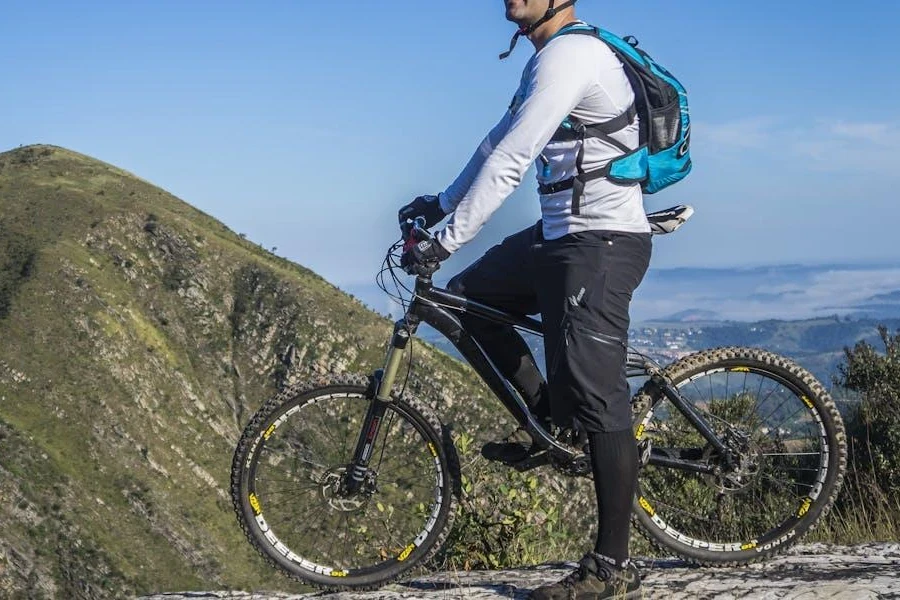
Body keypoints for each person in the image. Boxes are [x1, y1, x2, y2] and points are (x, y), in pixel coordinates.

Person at [399, 1, 651, 597]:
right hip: (559, 235)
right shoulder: (544, 61)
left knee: (599, 395)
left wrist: (446, 241)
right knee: (464, 301)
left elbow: (514, 161)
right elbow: (495, 144)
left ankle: (614, 566)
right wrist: (440, 203)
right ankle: (551, 421)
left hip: (601, 239)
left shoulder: (573, 55)